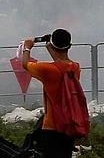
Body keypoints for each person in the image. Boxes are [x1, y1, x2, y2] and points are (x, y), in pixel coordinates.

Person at [21, 29, 85, 158]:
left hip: (52, 127)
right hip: (69, 125)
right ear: (69, 46)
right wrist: (50, 46)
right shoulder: (75, 68)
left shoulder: (47, 70)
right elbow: (61, 62)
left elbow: (25, 64)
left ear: (53, 45)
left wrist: (27, 48)